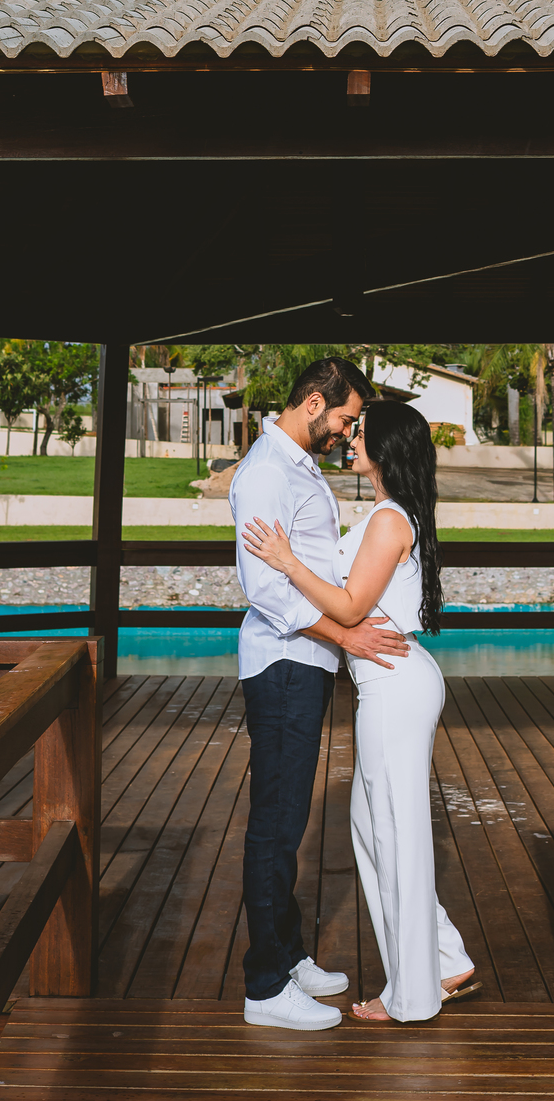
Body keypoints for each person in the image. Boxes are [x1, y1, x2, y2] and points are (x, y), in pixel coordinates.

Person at [243, 398, 478, 1023]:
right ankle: (446, 955)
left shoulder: (388, 520)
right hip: (388, 683)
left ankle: (412, 996)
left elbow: (349, 610)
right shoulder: (387, 515)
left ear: (388, 446)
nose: (351, 439)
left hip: (394, 686)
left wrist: (287, 561)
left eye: (362, 432)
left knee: (394, 834)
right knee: (376, 832)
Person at [231, 356, 409, 1033]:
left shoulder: (297, 466)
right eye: (342, 418)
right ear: (312, 404)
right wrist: (348, 635)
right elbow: (265, 589)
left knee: (289, 821)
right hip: (282, 662)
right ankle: (265, 986)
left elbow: (316, 561)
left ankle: (290, 952)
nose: (345, 431)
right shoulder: (266, 474)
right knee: (275, 825)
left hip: (303, 661)